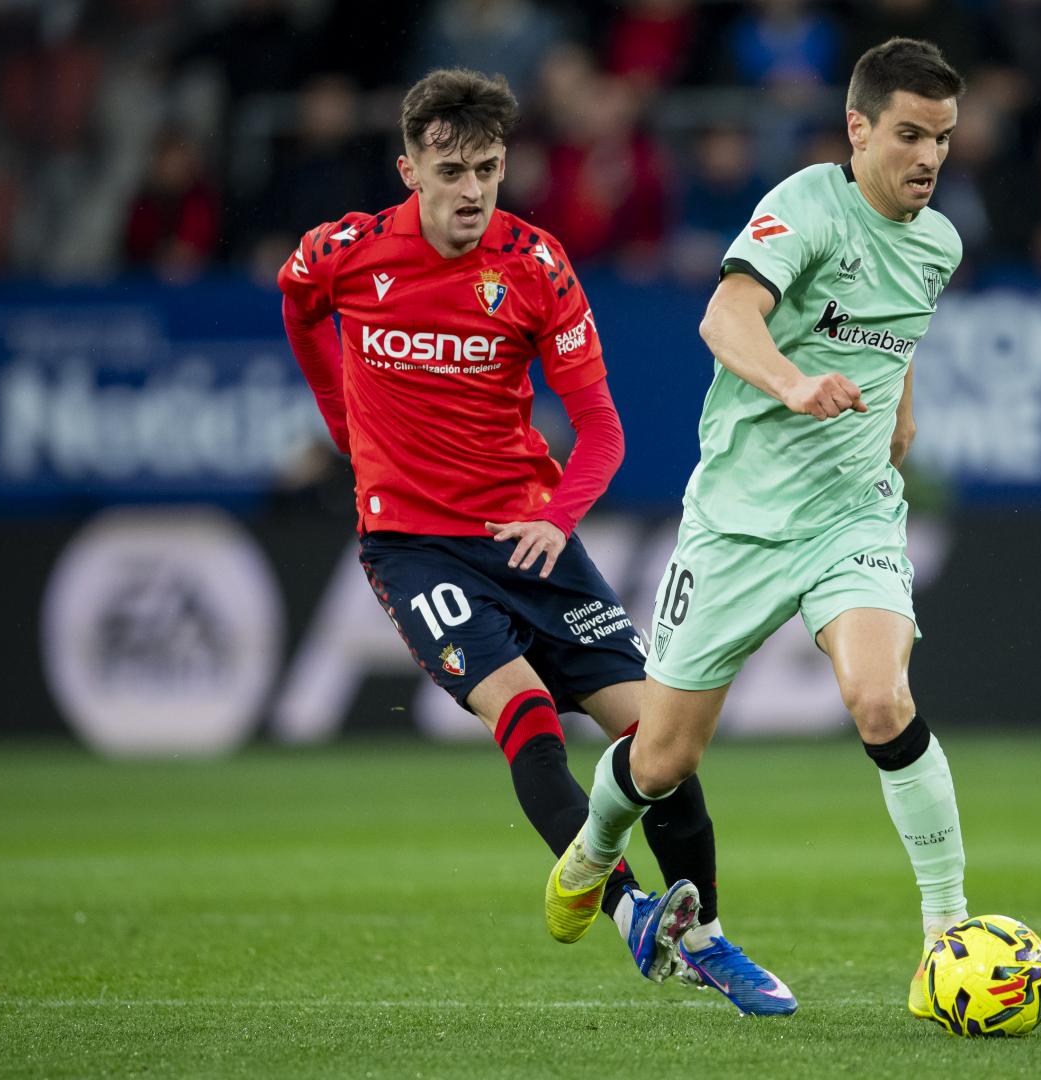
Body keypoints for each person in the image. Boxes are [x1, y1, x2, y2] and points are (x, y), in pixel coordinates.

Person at [275, 69, 781, 1003]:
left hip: (530, 537)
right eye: (453, 169)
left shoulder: (535, 265)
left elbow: (603, 431)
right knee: (527, 714)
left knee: (663, 743)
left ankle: (706, 936)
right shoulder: (345, 252)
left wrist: (554, 520)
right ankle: (631, 910)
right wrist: (343, 421)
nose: (473, 190)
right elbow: (298, 300)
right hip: (414, 543)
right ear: (410, 170)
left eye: (491, 169)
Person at [545, 38, 971, 1022]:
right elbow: (725, 317)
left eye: (942, 139)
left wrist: (899, 408)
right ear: (859, 129)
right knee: (662, 759)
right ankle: (597, 844)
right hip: (737, 525)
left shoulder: (939, 243)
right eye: (909, 134)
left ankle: (946, 933)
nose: (928, 158)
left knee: (879, 699)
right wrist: (790, 383)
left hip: (851, 518)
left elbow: (894, 328)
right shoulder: (805, 206)